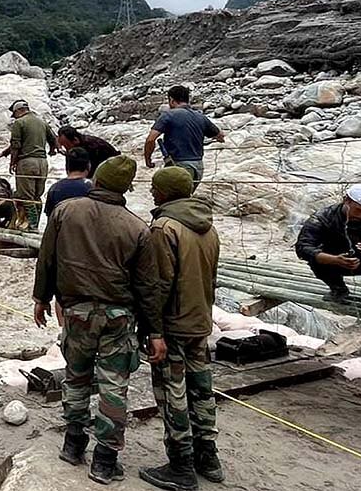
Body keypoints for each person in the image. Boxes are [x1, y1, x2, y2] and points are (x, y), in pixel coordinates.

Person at [33, 156, 166, 485]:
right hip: (118, 319)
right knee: (113, 388)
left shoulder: (65, 211)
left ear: (97, 180)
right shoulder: (137, 228)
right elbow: (147, 288)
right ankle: (105, 461)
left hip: (76, 314)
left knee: (76, 378)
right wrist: (154, 332)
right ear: (126, 188)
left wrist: (41, 297)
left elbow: (47, 256)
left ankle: (73, 444)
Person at [140, 167, 223, 490]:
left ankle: (180, 465)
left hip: (172, 324)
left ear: (164, 193)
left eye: (155, 189)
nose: (151, 194)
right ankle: (209, 457)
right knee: (201, 389)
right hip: (199, 319)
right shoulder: (208, 227)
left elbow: (158, 285)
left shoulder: (164, 228)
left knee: (172, 392)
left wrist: (154, 331)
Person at [0, 100, 56, 231]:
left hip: (27, 163)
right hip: (43, 163)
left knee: (26, 196)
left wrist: (13, 162)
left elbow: (16, 145)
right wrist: (51, 150)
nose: (14, 117)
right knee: (37, 196)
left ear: (18, 111)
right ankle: (36, 224)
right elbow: (53, 139)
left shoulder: (19, 123)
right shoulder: (41, 122)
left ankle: (32, 225)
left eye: (14, 114)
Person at [144, 86, 223, 185]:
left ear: (172, 100)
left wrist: (148, 160)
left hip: (178, 167)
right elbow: (220, 136)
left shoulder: (168, 116)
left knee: (170, 198)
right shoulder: (201, 117)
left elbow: (150, 140)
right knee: (186, 197)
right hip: (198, 167)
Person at [44, 148, 93, 217]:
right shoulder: (93, 188)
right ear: (89, 166)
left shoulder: (54, 189)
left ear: (66, 166)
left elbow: (50, 218)